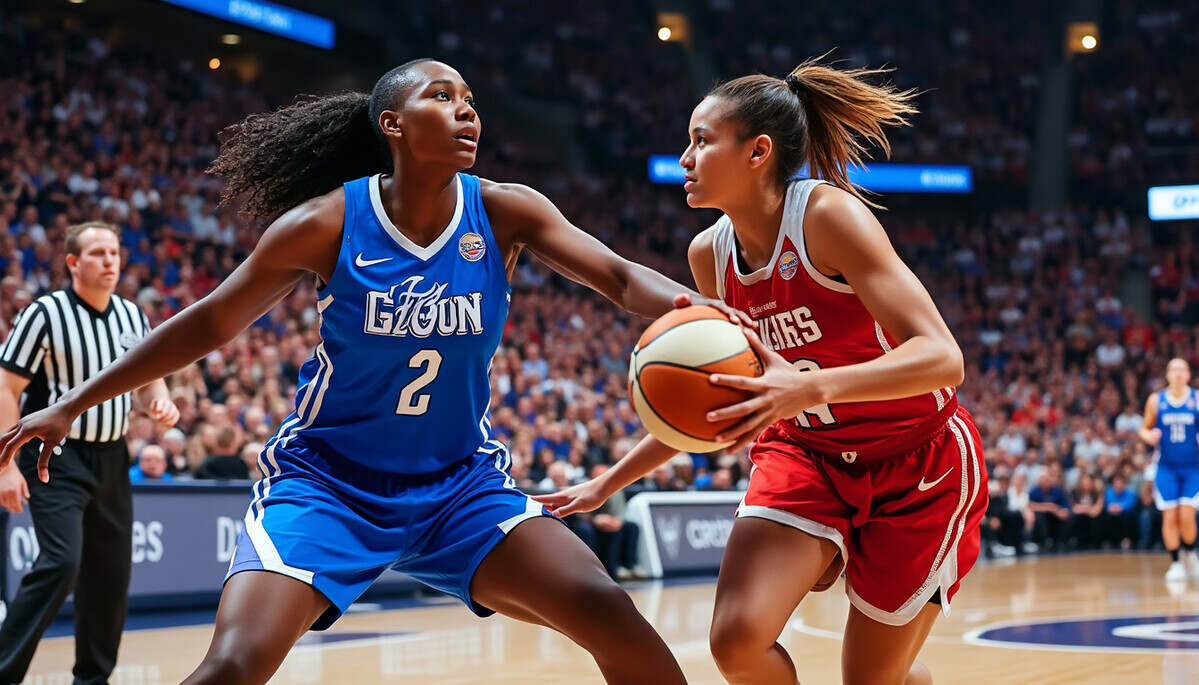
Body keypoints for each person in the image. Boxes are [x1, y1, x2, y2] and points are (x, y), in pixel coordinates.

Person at [0, 59, 747, 685]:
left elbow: (618, 277)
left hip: (461, 485)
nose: (466, 113)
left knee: (609, 611)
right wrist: (70, 402)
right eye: (442, 97)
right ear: (391, 124)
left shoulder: (506, 210)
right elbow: (209, 321)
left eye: (470, 102)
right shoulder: (326, 222)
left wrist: (705, 314)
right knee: (232, 665)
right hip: (327, 484)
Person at [538, 56, 987, 685]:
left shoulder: (830, 217)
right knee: (736, 641)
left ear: (758, 152)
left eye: (701, 140)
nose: (685, 157)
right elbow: (713, 405)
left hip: (915, 459)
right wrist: (606, 484)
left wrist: (809, 386)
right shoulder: (709, 255)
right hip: (804, 453)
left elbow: (944, 357)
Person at [0, 221, 180, 685]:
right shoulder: (44, 312)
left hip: (112, 458)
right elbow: (7, 385)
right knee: (62, 562)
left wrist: (157, 400)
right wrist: (3, 465)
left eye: (115, 253)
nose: (109, 261)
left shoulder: (132, 316)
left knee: (110, 577)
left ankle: (93, 680)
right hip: (53, 457)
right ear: (73, 262)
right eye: (98, 253)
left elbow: (146, 378)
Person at [1138, 357, 1199, 580]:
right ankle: (1175, 563)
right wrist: (1149, 436)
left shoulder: (1196, 399)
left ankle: (1191, 552)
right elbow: (1143, 428)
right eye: (1174, 369)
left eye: (1182, 369)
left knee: (1187, 515)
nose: (1178, 373)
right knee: (1170, 516)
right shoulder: (1156, 400)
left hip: (1192, 468)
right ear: (1167, 374)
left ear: (1188, 374)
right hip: (1166, 469)